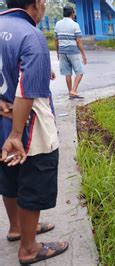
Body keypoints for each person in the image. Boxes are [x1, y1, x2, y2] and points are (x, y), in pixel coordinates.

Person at [0, 0, 68, 264]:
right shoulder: (32, 35)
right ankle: (29, 248)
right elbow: (27, 91)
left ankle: (17, 228)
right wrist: (16, 134)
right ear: (37, 3)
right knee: (33, 178)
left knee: (8, 173)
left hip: (3, 118)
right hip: (27, 125)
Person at [54, 5, 87, 99]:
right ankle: (74, 90)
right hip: (73, 51)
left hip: (62, 51)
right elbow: (79, 41)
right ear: (72, 13)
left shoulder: (58, 24)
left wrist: (57, 52)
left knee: (67, 73)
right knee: (80, 72)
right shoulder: (74, 24)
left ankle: (70, 93)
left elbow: (56, 40)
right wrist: (84, 54)